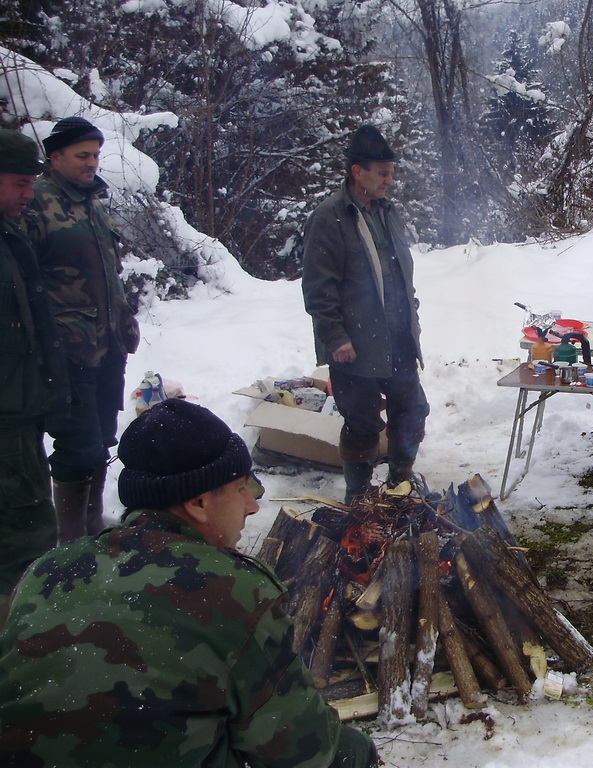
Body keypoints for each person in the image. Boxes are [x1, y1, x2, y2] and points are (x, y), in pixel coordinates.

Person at [0, 399, 378, 767]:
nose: (252, 506)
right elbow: (305, 753)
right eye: (242, 488)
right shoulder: (232, 592)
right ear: (198, 503)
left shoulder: (48, 570)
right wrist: (361, 753)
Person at [25, 116, 140, 542]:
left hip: (107, 345)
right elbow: (25, 280)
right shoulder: (36, 203)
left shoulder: (92, 202)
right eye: (82, 155)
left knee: (103, 441)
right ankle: (70, 540)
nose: (91, 163)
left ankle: (92, 527)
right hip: (68, 352)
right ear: (54, 157)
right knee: (79, 446)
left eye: (95, 155)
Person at [302, 124, 429, 503]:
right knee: (361, 424)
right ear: (358, 172)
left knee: (412, 411)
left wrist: (413, 316)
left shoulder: (389, 213)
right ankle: (358, 496)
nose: (390, 180)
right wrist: (335, 337)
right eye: (383, 173)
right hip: (354, 343)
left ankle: (399, 483)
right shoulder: (330, 218)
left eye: (391, 172)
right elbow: (317, 288)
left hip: (398, 337)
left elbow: (400, 275)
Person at [0, 130, 69, 630]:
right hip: (5, 418)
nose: (30, 194)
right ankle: (26, 649)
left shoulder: (10, 232)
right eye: (20, 183)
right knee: (25, 536)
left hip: (20, 410)